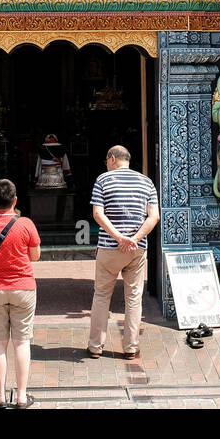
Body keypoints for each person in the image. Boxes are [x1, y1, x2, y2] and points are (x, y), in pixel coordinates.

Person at [86, 145, 159, 360]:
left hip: (109, 248)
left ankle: (95, 346)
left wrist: (119, 237)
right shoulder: (146, 182)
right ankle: (130, 347)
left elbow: (98, 214)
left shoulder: (103, 180)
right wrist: (134, 239)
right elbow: (153, 217)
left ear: (111, 159)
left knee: (101, 295)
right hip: (136, 249)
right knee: (134, 298)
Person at [0, 179, 41, 409]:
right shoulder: (26, 224)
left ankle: (1, 396)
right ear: (15, 201)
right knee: (22, 343)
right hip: (23, 287)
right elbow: (35, 256)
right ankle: (22, 396)